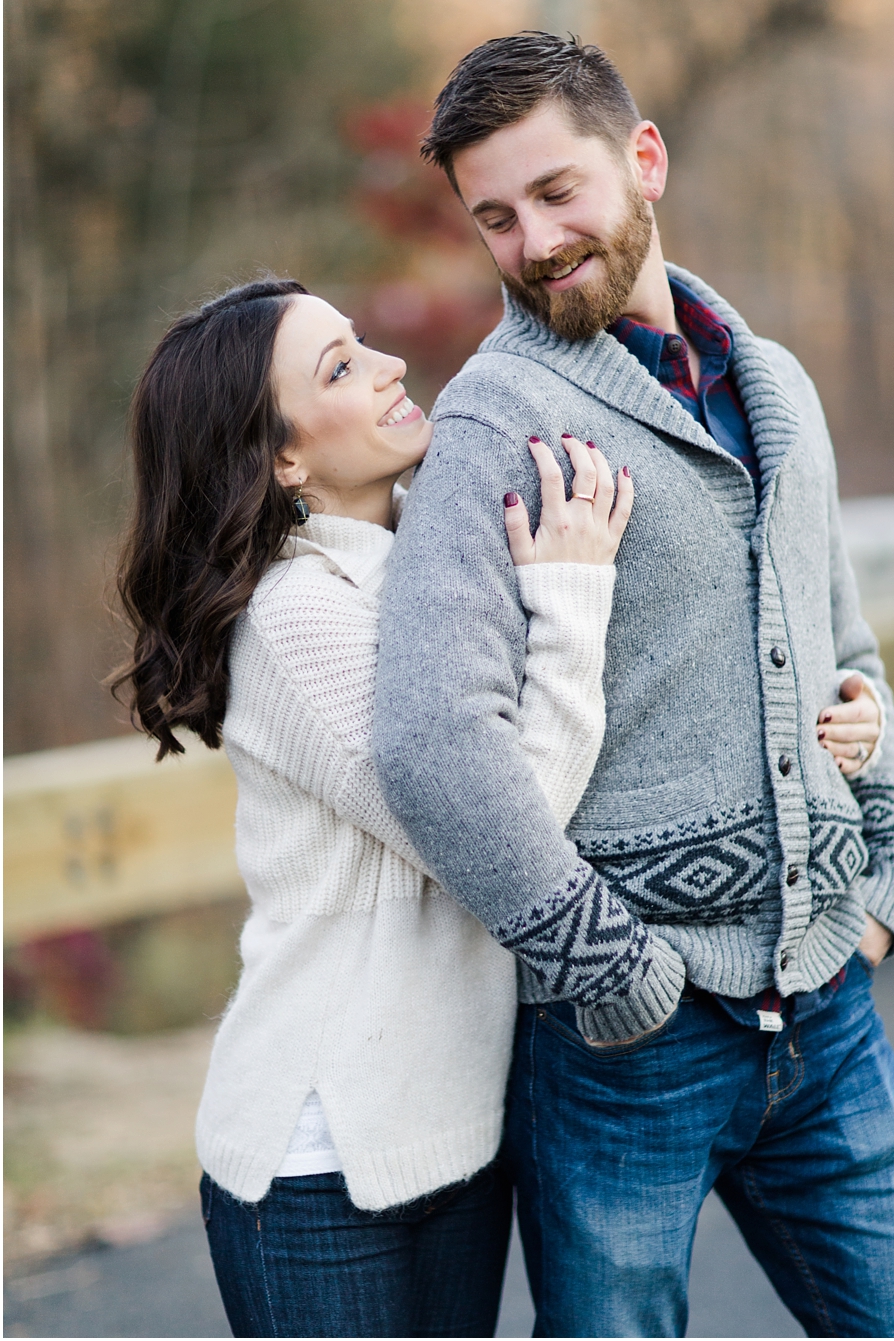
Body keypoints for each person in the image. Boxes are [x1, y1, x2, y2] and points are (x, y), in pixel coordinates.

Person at [371, 33, 894, 1338]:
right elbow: (426, 739)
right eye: (495, 218)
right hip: (623, 1053)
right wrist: (610, 965)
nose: (532, 241)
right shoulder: (491, 428)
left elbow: (844, 642)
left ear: (643, 160)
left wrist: (893, 871)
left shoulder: (776, 385)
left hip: (831, 1018)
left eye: (557, 192)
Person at [111, 276, 635, 1338]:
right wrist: (573, 602)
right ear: (285, 460)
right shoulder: (298, 616)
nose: (390, 364)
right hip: (320, 1159)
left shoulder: (420, 570)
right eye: (340, 368)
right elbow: (499, 831)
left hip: (452, 1132)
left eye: (361, 343)